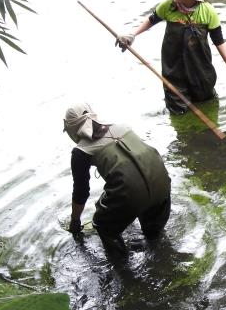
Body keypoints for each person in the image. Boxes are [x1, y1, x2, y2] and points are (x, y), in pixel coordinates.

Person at [115, 0, 226, 114]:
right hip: (173, 71)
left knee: (208, 105)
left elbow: (219, 41)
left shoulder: (208, 11)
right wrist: (132, 35)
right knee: (178, 112)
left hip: (201, 71)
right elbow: (152, 20)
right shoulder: (168, 6)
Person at [64, 103, 171, 253]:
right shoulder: (122, 127)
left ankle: (122, 270)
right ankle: (158, 253)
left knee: (103, 226)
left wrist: (75, 222)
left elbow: (81, 193)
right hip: (162, 181)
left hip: (131, 193)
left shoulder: (80, 151)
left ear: (71, 129)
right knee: (153, 236)